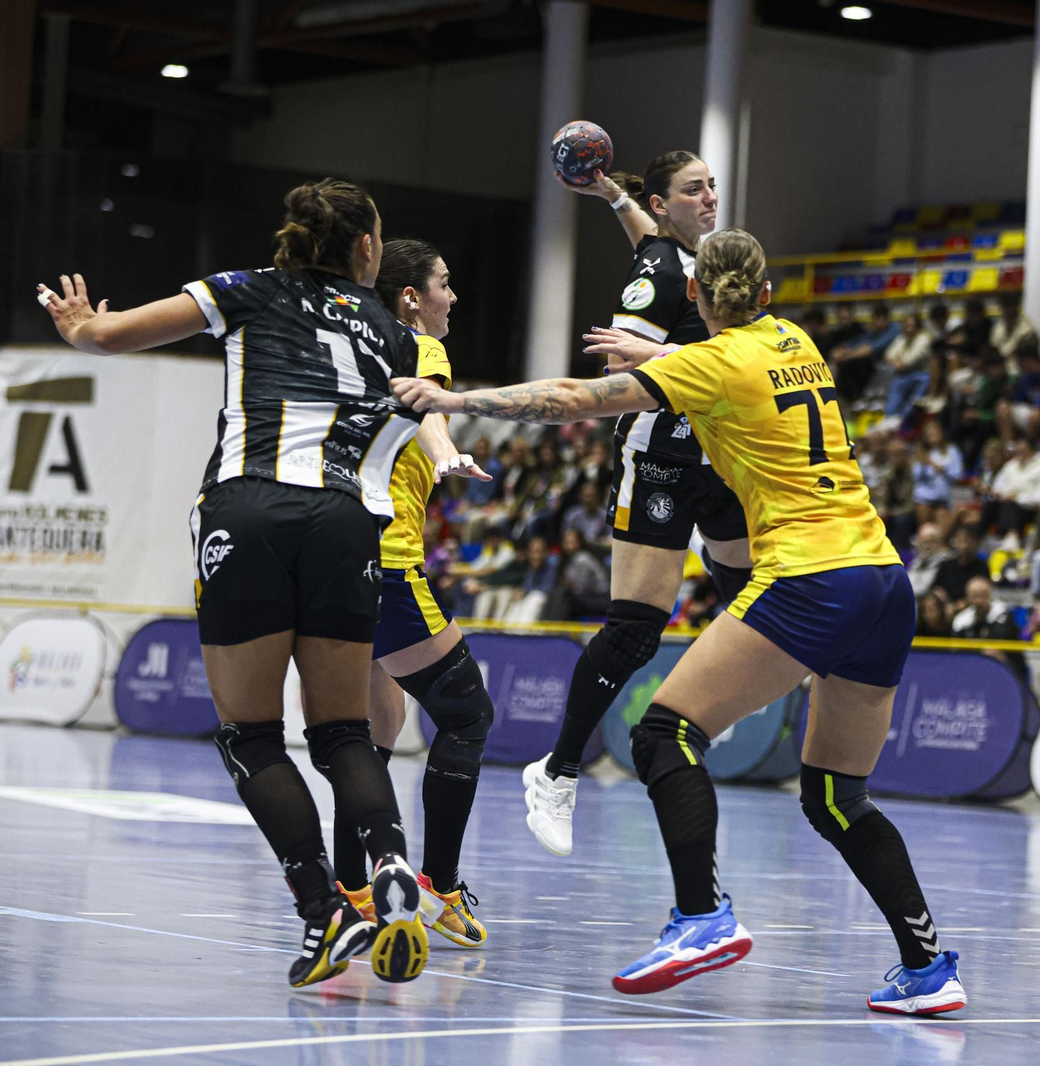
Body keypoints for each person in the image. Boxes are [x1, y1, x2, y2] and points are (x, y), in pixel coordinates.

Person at [394, 227, 966, 1013]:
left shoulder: (709, 362)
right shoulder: (795, 340)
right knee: (838, 797)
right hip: (883, 579)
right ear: (766, 295)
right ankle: (928, 969)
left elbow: (572, 400)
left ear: (694, 296)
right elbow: (733, 369)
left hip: (810, 576)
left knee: (664, 734)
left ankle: (703, 917)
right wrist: (661, 356)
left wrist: (455, 401)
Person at [37, 178, 427, 987]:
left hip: (250, 509)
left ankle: (324, 910)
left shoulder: (246, 288)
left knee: (252, 736)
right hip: (346, 520)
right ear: (365, 248)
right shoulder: (396, 335)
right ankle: (389, 858)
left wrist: (80, 326)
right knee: (342, 732)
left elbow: (111, 336)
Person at [528, 151, 755, 857]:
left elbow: (658, 245)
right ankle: (557, 771)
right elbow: (619, 365)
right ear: (663, 203)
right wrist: (663, 356)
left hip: (721, 455)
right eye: (694, 189)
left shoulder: (693, 254)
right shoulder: (658, 267)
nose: (711, 197)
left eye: (712, 185)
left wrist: (611, 196)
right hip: (661, 459)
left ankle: (715, 703)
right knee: (636, 629)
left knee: (756, 599)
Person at [334, 238, 496, 951]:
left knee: (375, 727)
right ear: (410, 297)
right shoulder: (421, 346)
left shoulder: (354, 347)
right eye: (443, 283)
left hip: (336, 554)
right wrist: (446, 452)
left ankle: (352, 889)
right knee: (467, 714)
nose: (451, 297)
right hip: (387, 564)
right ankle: (440, 885)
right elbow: (427, 407)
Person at [982, 436, 1040, 551]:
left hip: (1030, 510)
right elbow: (998, 486)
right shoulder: (1010, 466)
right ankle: (977, 537)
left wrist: (1018, 498)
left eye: (1023, 451)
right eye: (1018, 451)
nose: (1019, 454)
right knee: (990, 505)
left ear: (1032, 451)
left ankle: (1012, 537)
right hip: (1005, 504)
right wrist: (1002, 495)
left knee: (1010, 506)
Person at [951, 575, 1025, 678]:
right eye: (974, 596)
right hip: (971, 672)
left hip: (1006, 671)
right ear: (968, 598)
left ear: (990, 595)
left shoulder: (1003, 614)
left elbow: (1000, 637)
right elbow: (957, 652)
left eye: (982, 595)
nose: (978, 601)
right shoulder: (961, 621)